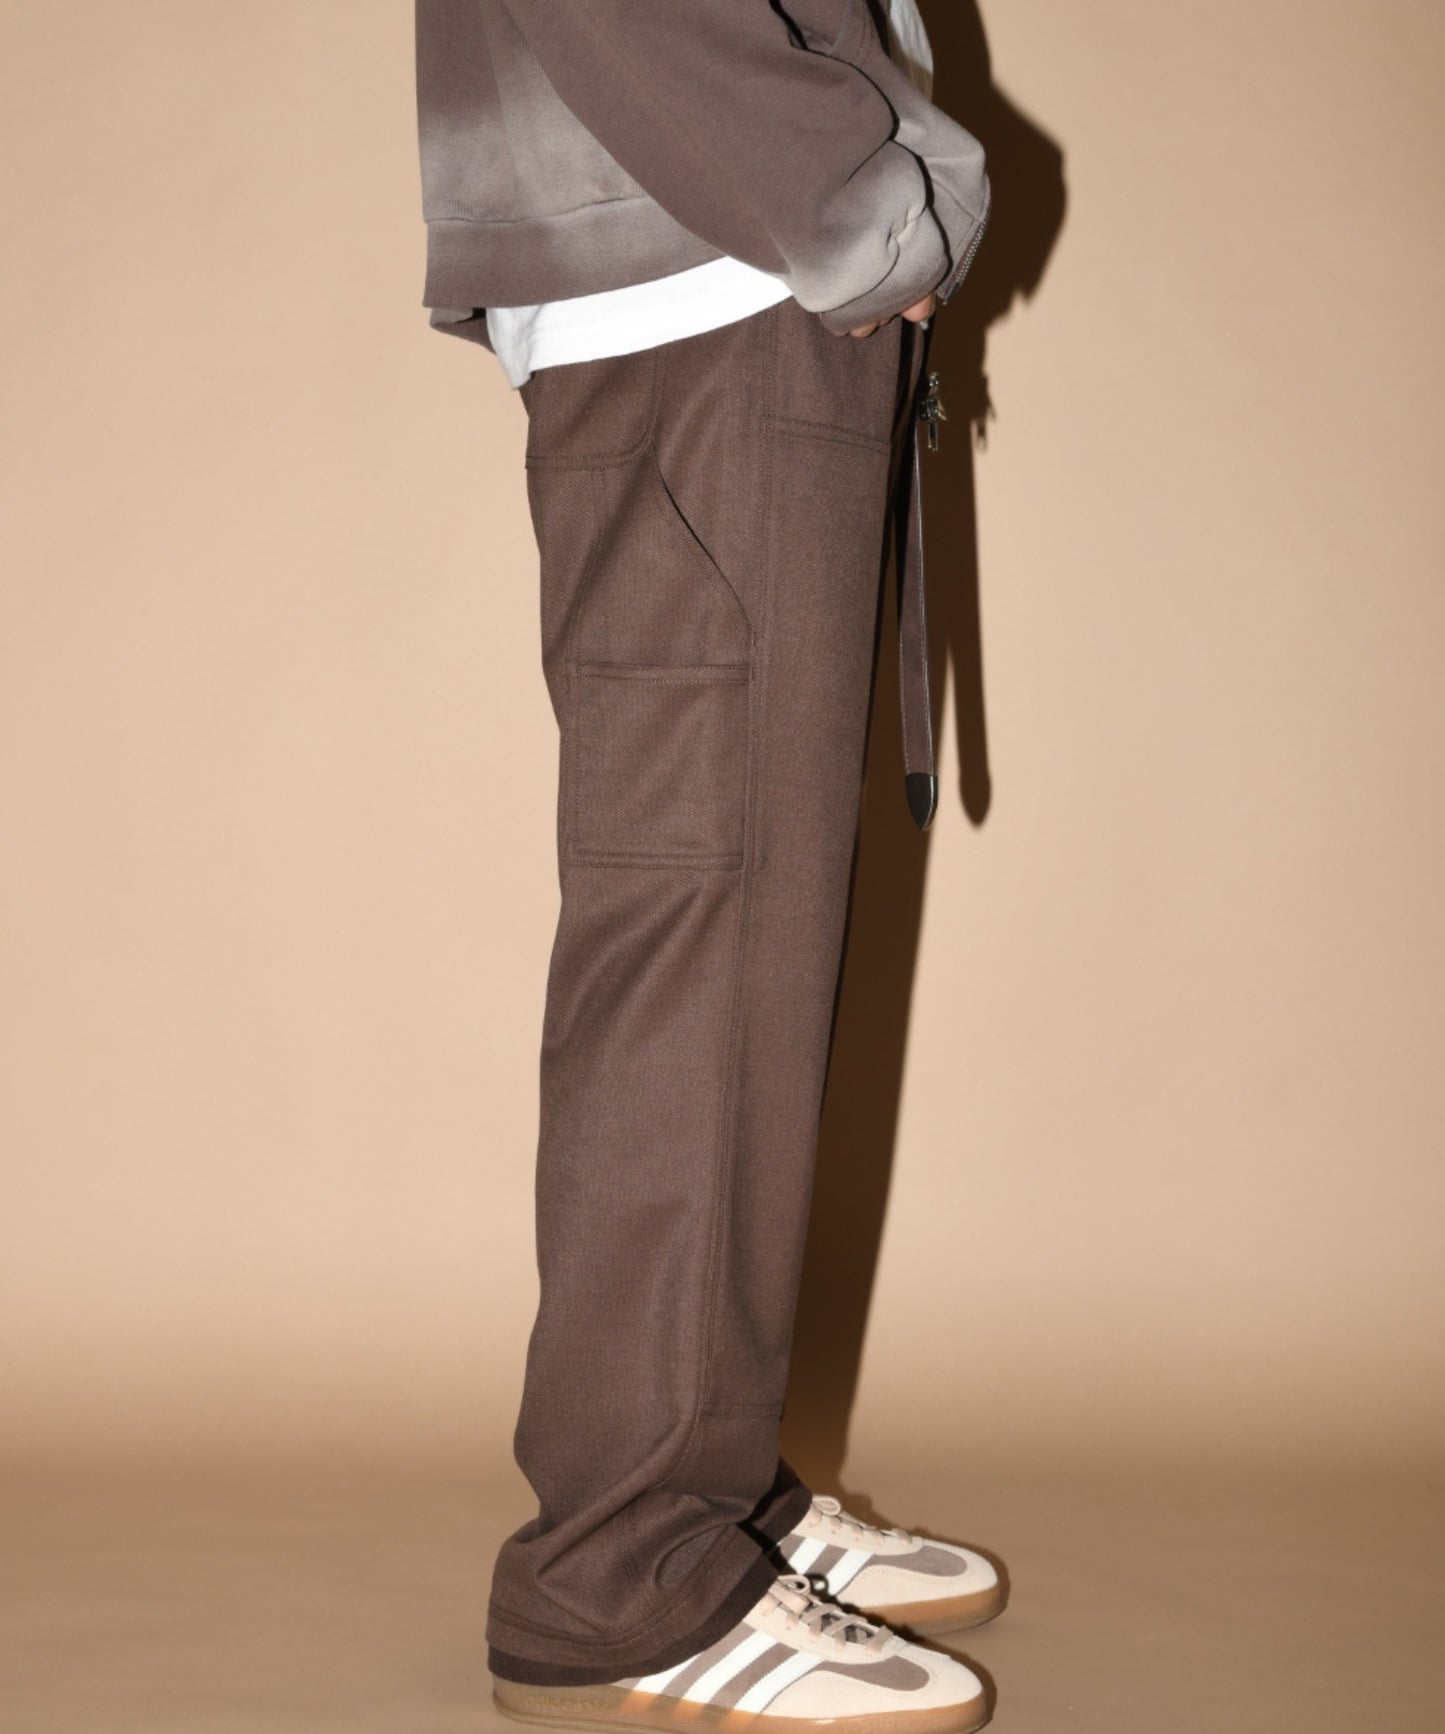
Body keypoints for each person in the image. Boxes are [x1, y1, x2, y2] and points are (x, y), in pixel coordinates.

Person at [413, 4, 1000, 1729]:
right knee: (700, 943)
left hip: (714, 289)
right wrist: (862, 205)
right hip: (706, 287)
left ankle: (708, 1495)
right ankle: (623, 1570)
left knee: (743, 938)